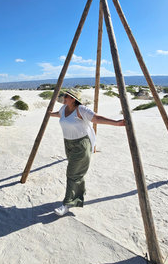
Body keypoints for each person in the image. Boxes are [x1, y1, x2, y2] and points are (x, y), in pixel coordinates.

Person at [49, 88, 125, 216]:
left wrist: (116, 123)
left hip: (81, 145)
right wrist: (49, 114)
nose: (63, 97)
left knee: (72, 174)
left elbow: (96, 118)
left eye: (66, 96)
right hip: (68, 144)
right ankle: (78, 193)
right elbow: (58, 114)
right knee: (76, 173)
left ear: (73, 99)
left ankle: (67, 204)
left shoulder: (81, 110)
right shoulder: (63, 109)